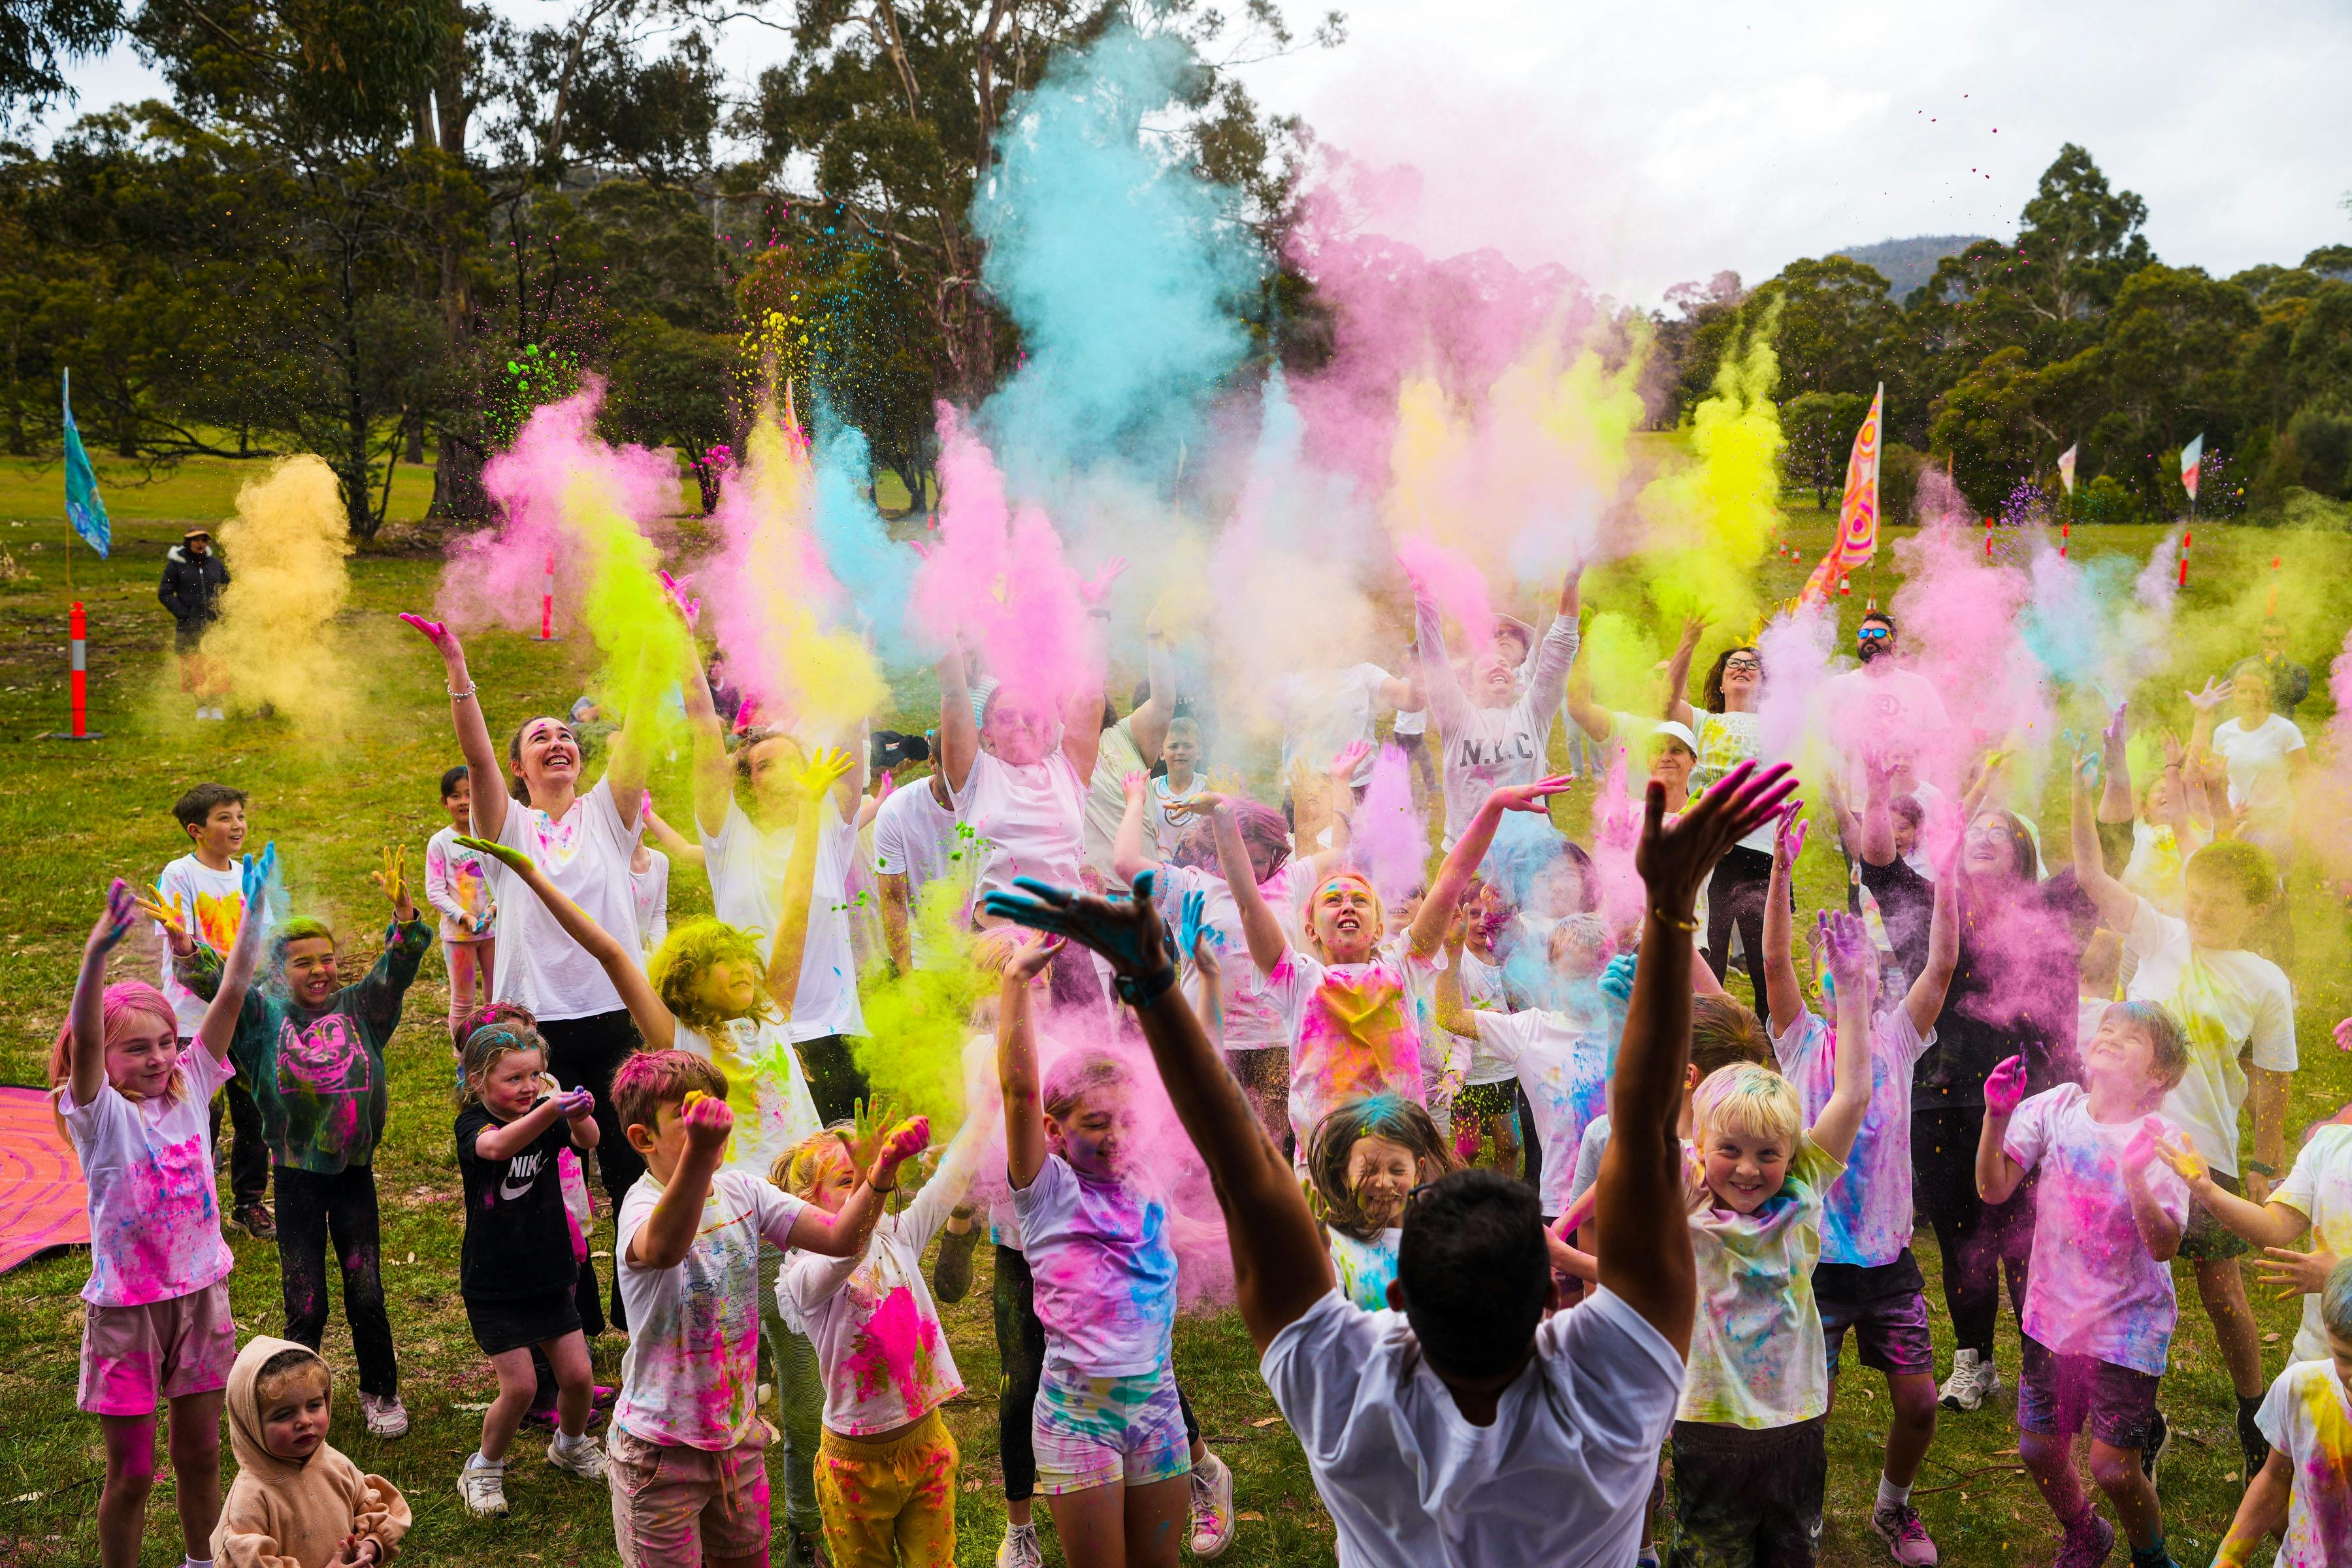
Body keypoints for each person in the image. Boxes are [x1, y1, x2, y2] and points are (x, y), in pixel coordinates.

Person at [979, 757, 1800, 1567]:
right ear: (1554, 1295)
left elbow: (1250, 1180)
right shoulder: (1618, 1396)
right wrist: (1670, 907)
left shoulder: (1346, 1398)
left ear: (1399, 1296)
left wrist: (1152, 985)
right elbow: (1649, 1136)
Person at [462, 747, 848, 1561]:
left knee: (807, 1388)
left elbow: (797, 912)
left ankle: (806, 1525)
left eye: (747, 960)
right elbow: (609, 950)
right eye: (725, 964)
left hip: (794, 1211)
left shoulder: (774, 1011)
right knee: (739, 1372)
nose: (747, 969)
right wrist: (531, 877)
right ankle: (749, 1499)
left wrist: (813, 809)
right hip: (722, 1224)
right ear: (686, 983)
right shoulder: (680, 1041)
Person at [402, 611, 655, 1322]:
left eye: (567, 734)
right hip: (530, 1031)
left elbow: (637, 739)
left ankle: (634, 1311)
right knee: (542, 1178)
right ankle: (564, 1322)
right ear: (520, 767)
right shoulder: (508, 827)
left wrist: (655, 646)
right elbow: (477, 760)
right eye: (540, 737)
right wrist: (457, 666)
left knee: (630, 1166)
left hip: (615, 1020)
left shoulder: (610, 814)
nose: (558, 742)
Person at [2069, 757, 2298, 1477]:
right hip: (2126, 1144)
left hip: (2204, 1153)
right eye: (2196, 899)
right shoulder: (2162, 936)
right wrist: (2080, 791)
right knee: (2131, 1283)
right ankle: (2139, 1418)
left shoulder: (2266, 983)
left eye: (2219, 906)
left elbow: (2272, 1081)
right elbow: (2094, 882)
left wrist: (2265, 1163)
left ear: (2254, 910)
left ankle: (2253, 1409)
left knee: (2220, 1288)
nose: (2200, 914)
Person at [605, 1052, 921, 1568]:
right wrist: (700, 1157)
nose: (715, 1125)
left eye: (716, 1111)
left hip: (737, 1439)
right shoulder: (642, 1205)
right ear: (644, 1139)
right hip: (660, 1453)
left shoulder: (743, 1190)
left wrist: (879, 1174)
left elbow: (841, 1240)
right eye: (691, 1119)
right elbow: (662, 1249)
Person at [992, 929, 1232, 1568]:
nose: (1117, 1137)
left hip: (1157, 1411)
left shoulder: (1145, 1173)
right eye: (1096, 1125)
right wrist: (1015, 983)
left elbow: (1195, 1076)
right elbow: (1018, 1090)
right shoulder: (1045, 1190)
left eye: (1126, 1120)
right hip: (1077, 1422)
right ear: (1055, 1132)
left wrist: (1204, 982)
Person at [1761, 805, 1958, 1566]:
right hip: (1812, 1263)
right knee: (1814, 1410)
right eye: (1845, 965)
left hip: (1888, 1264)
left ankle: (1893, 1507)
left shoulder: (1899, 1040)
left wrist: (1951, 881)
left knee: (1920, 1401)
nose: (1858, 973)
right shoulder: (1800, 1039)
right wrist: (1780, 866)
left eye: (1871, 966)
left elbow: (1940, 967)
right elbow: (1774, 964)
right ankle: (1800, 1514)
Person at [1860, 752, 2085, 1414]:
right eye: (1976, 827)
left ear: (2024, 854)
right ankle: (1974, 1363)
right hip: (1940, 1094)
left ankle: (2042, 1369)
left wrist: (2082, 787)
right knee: (1963, 1239)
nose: (1986, 834)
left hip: (2032, 1099)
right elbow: (1877, 864)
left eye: (2003, 830)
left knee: (2029, 1239)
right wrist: (1877, 789)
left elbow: (2112, 854)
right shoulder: (1929, 906)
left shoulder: (2052, 910)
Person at [179, 849, 432, 1441]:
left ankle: (380, 1390)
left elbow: (398, 965)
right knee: (307, 1299)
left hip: (353, 1175)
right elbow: (220, 982)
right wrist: (189, 948)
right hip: (293, 1176)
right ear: (278, 970)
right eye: (303, 963)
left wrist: (403, 912)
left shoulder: (362, 1009)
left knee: (365, 1290)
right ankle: (296, 1403)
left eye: (327, 959)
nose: (319, 971)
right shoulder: (262, 1019)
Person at [57, 871, 264, 1568]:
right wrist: (96, 956)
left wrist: (255, 918)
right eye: (137, 1048)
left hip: (202, 1296)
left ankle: (203, 1562)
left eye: (166, 1043)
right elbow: (86, 1044)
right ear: (107, 1061)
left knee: (202, 1455)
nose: (157, 1058)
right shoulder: (98, 1113)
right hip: (127, 1310)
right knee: (135, 1473)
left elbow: (231, 993)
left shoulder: (195, 1083)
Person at [1660, 908, 1874, 1568]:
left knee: (1790, 1554)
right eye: (1730, 1149)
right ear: (1699, 1139)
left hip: (1794, 1421)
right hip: (1707, 1421)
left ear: (1791, 1152)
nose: (1749, 1170)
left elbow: (1855, 1093)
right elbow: (1657, 1113)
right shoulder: (1683, 1186)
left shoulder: (1803, 1183)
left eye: (1767, 1154)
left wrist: (1855, 989)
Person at [1192, 776, 1571, 1149]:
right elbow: (1248, 901)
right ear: (1310, 928)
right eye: (1332, 900)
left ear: (1377, 928)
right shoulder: (1297, 978)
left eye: (1359, 900)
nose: (1347, 906)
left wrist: (1493, 806)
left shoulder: (1401, 964)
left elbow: (1449, 883)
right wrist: (1224, 820)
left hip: (1399, 1154)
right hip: (1325, 1163)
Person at [1974, 1007, 2194, 1568]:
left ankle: (2152, 1556)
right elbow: (1994, 1188)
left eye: (2134, 1038)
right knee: (2039, 1448)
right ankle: (2084, 1531)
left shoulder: (2163, 1139)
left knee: (2113, 1466)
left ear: (2159, 1076)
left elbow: (2165, 1245)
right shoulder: (2056, 1108)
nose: (2112, 1037)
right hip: (2054, 1317)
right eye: (2108, 1029)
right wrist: (1996, 1117)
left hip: (2129, 1323)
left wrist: (2135, 1178)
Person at [771, 1045, 996, 1568]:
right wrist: (883, 1171)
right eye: (847, 1181)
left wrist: (991, 1103)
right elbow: (846, 1250)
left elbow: (948, 1183)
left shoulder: (896, 1238)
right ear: (807, 1203)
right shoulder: (803, 1275)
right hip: (855, 1466)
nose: (866, 1190)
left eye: (866, 1174)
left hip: (925, 1440)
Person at [685, 649, 872, 1120]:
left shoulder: (828, 824)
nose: (785, 771)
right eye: (766, 764)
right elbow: (704, 725)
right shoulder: (728, 836)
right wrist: (685, 637)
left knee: (843, 1174)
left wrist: (845, 652)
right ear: (746, 781)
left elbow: (852, 731)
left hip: (832, 1030)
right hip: (751, 1034)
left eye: (794, 761)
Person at [451, 1019, 610, 1516]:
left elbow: (588, 1140)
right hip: (494, 1282)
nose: (527, 1088)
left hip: (549, 1271)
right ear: (478, 1082)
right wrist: (550, 1109)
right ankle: (483, 1467)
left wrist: (579, 1113)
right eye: (513, 1079)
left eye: (536, 1076)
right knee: (519, 1387)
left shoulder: (544, 1110)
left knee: (579, 1376)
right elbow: (498, 1148)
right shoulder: (475, 1125)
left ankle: (570, 1444)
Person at [144, 781, 272, 1240]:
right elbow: (185, 950)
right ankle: (197, 1201)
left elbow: (264, 937)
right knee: (202, 1113)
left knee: (253, 1113)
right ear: (197, 830)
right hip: (195, 1018)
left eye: (240, 815)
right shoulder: (180, 875)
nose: (237, 825)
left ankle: (249, 1203)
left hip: (246, 1015)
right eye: (225, 817)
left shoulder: (248, 873)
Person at [1433, 916, 1613, 1222]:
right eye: (1577, 977)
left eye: (1598, 975)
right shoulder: (1531, 1031)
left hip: (1634, 1198)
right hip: (1562, 1204)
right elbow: (1450, 1016)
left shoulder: (1632, 1029)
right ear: (1552, 976)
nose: (1590, 988)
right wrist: (1451, 953)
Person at [1411, 562, 1582, 847]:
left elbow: (1559, 649)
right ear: (1470, 683)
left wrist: (1570, 583)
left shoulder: (1532, 711)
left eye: (1503, 664)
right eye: (1487, 665)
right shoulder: (1458, 717)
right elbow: (1434, 660)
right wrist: (1425, 598)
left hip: (1532, 850)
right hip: (1470, 857)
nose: (1497, 666)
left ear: (1517, 680)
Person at [212, 1336, 411, 1568]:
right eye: (284, 1414)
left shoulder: (337, 1465)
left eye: (314, 1405)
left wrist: (371, 1544)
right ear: (251, 1423)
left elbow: (370, 1509)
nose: (304, 1421)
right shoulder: (251, 1498)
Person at [2208, 1258, 2352, 1567]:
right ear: (2329, 1335)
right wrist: (2229, 1558)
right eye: (2346, 1358)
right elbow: (2274, 1478)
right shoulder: (2301, 1389)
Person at [1664, 627, 1780, 1002]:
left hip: (1763, 852)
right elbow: (1667, 702)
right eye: (1734, 664)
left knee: (1768, 967)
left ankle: (1774, 1056)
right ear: (1720, 680)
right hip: (1709, 852)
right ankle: (1708, 1054)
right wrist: (1688, 641)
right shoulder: (1702, 722)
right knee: (1707, 962)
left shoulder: (1781, 725)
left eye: (1752, 665)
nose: (1742, 668)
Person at [1301, 1095, 1456, 1311]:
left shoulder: (1438, 1231)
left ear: (1418, 1171)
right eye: (1369, 1170)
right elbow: (1326, 1320)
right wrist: (1317, 1258)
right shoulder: (1334, 1244)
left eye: (1397, 1170)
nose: (1384, 1183)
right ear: (1345, 1174)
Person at [1821, 609, 1951, 800]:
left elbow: (1940, 739)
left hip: (1910, 803)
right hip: (1858, 801)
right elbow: (1820, 737)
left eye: (1880, 633)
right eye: (1864, 633)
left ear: (1894, 644)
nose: (1870, 637)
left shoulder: (1918, 686)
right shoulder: (1839, 686)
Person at [872, 749, 972, 975]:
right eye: (953, 768)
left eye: (970, 769)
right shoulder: (897, 811)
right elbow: (892, 901)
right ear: (933, 763)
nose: (962, 779)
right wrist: (907, 980)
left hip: (981, 958)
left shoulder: (991, 800)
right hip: (924, 963)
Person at [2195, 660, 2308, 858]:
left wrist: (2291, 831)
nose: (2249, 698)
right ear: (2234, 695)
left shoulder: (2285, 730)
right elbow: (2217, 782)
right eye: (2243, 691)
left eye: (2256, 692)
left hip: (2276, 828)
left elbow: (2305, 782)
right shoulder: (2223, 732)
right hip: (2234, 827)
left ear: (2267, 694)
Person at [424, 765, 498, 1053]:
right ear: (445, 802)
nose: (464, 802)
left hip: (493, 932)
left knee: (496, 997)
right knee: (463, 1000)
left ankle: (495, 1053)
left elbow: (505, 881)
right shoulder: (440, 843)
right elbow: (435, 891)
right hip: (459, 937)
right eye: (456, 796)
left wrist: (492, 910)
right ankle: (463, 1058)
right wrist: (464, 917)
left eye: (469, 794)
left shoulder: (490, 836)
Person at [159, 526, 229, 719]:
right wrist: (183, 613)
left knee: (215, 664)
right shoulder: (176, 565)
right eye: (196, 540)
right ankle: (201, 707)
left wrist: (223, 612)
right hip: (190, 624)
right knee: (195, 666)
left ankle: (216, 707)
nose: (200, 544)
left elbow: (228, 588)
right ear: (187, 542)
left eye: (203, 540)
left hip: (214, 624)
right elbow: (164, 593)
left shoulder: (216, 564)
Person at [1149, 716, 1209, 843]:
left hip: (1201, 863)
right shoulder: (1149, 789)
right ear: (1162, 753)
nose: (1181, 752)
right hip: (1158, 862)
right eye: (1173, 747)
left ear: (1200, 753)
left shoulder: (1210, 788)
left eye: (1188, 746)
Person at [2252, 617, 2310, 719]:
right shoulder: (2244, 666)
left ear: (2288, 640)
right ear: (2260, 639)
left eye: (2279, 638)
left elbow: (2296, 697)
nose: (2274, 643)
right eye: (2268, 638)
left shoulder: (2298, 669)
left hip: (2281, 730)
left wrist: (2279, 665)